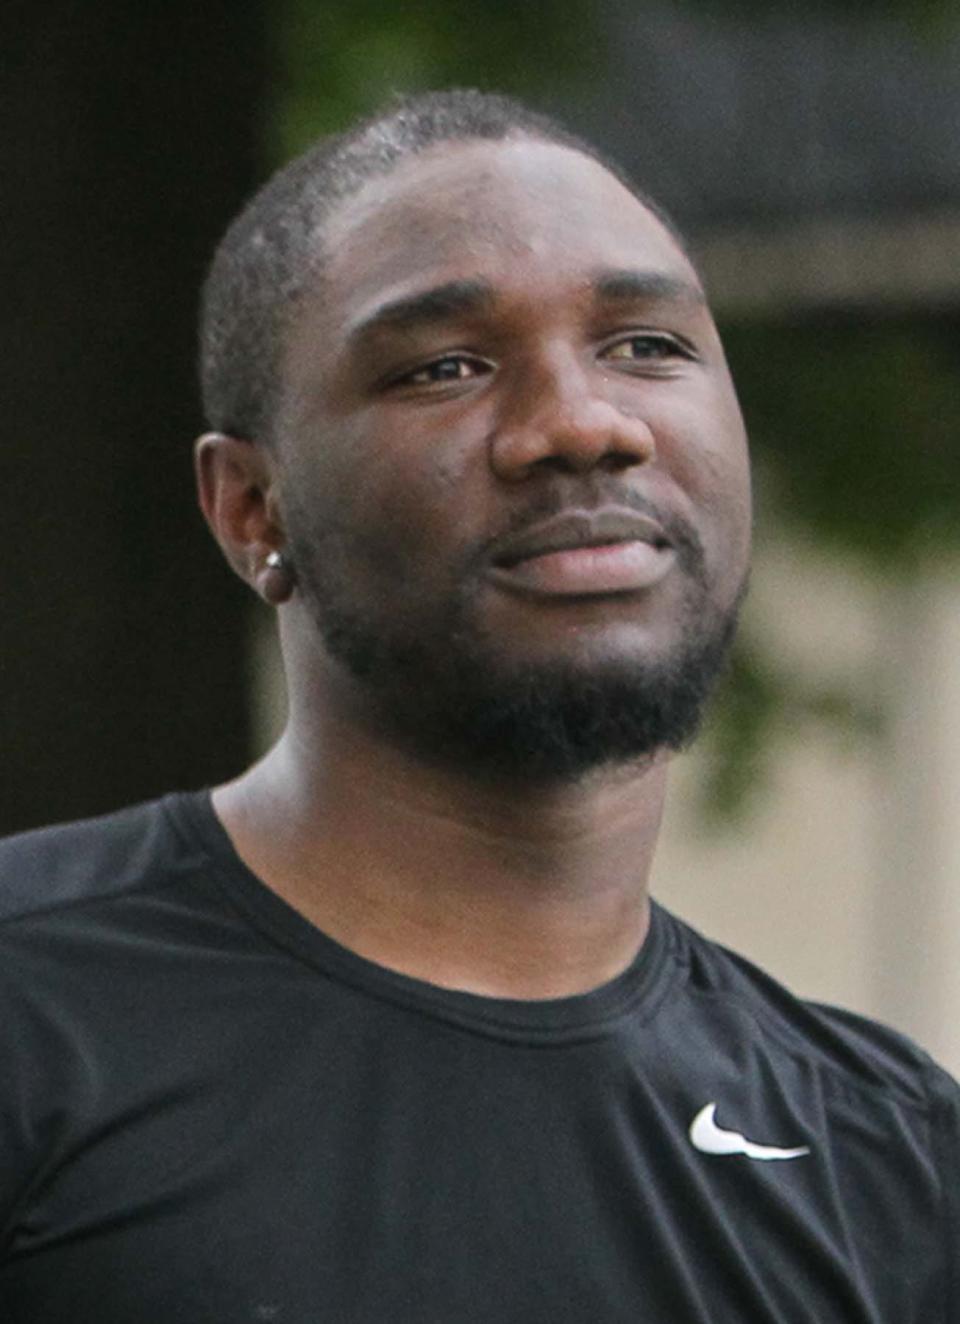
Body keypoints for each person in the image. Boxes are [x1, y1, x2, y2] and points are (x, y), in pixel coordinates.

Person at [0, 89, 956, 1323]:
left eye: (646, 346)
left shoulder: (885, 1154)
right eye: (445, 366)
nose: (582, 423)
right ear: (252, 510)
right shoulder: (30, 1003)